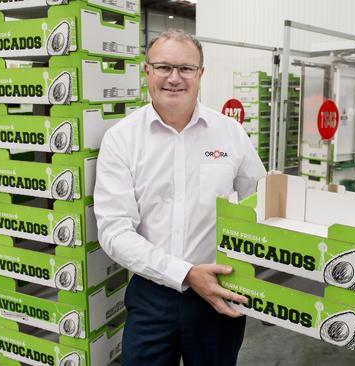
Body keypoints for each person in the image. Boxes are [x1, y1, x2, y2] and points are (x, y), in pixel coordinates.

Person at [94, 29, 267, 365]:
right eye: (163, 67)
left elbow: (258, 202)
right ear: (146, 71)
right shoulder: (122, 139)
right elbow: (114, 231)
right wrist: (186, 273)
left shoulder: (229, 133)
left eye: (186, 69)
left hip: (219, 293)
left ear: (201, 74)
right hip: (151, 296)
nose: (174, 78)